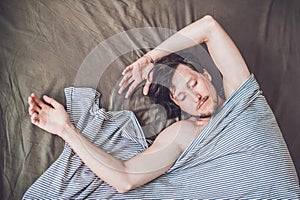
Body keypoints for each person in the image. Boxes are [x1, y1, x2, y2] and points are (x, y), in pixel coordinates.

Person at [27, 15, 288, 195]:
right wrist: (66, 129)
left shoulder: (243, 98)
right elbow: (125, 178)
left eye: (193, 83)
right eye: (181, 94)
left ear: (207, 75)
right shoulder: (185, 133)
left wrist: (150, 58)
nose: (194, 96)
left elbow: (209, 27)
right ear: (175, 102)